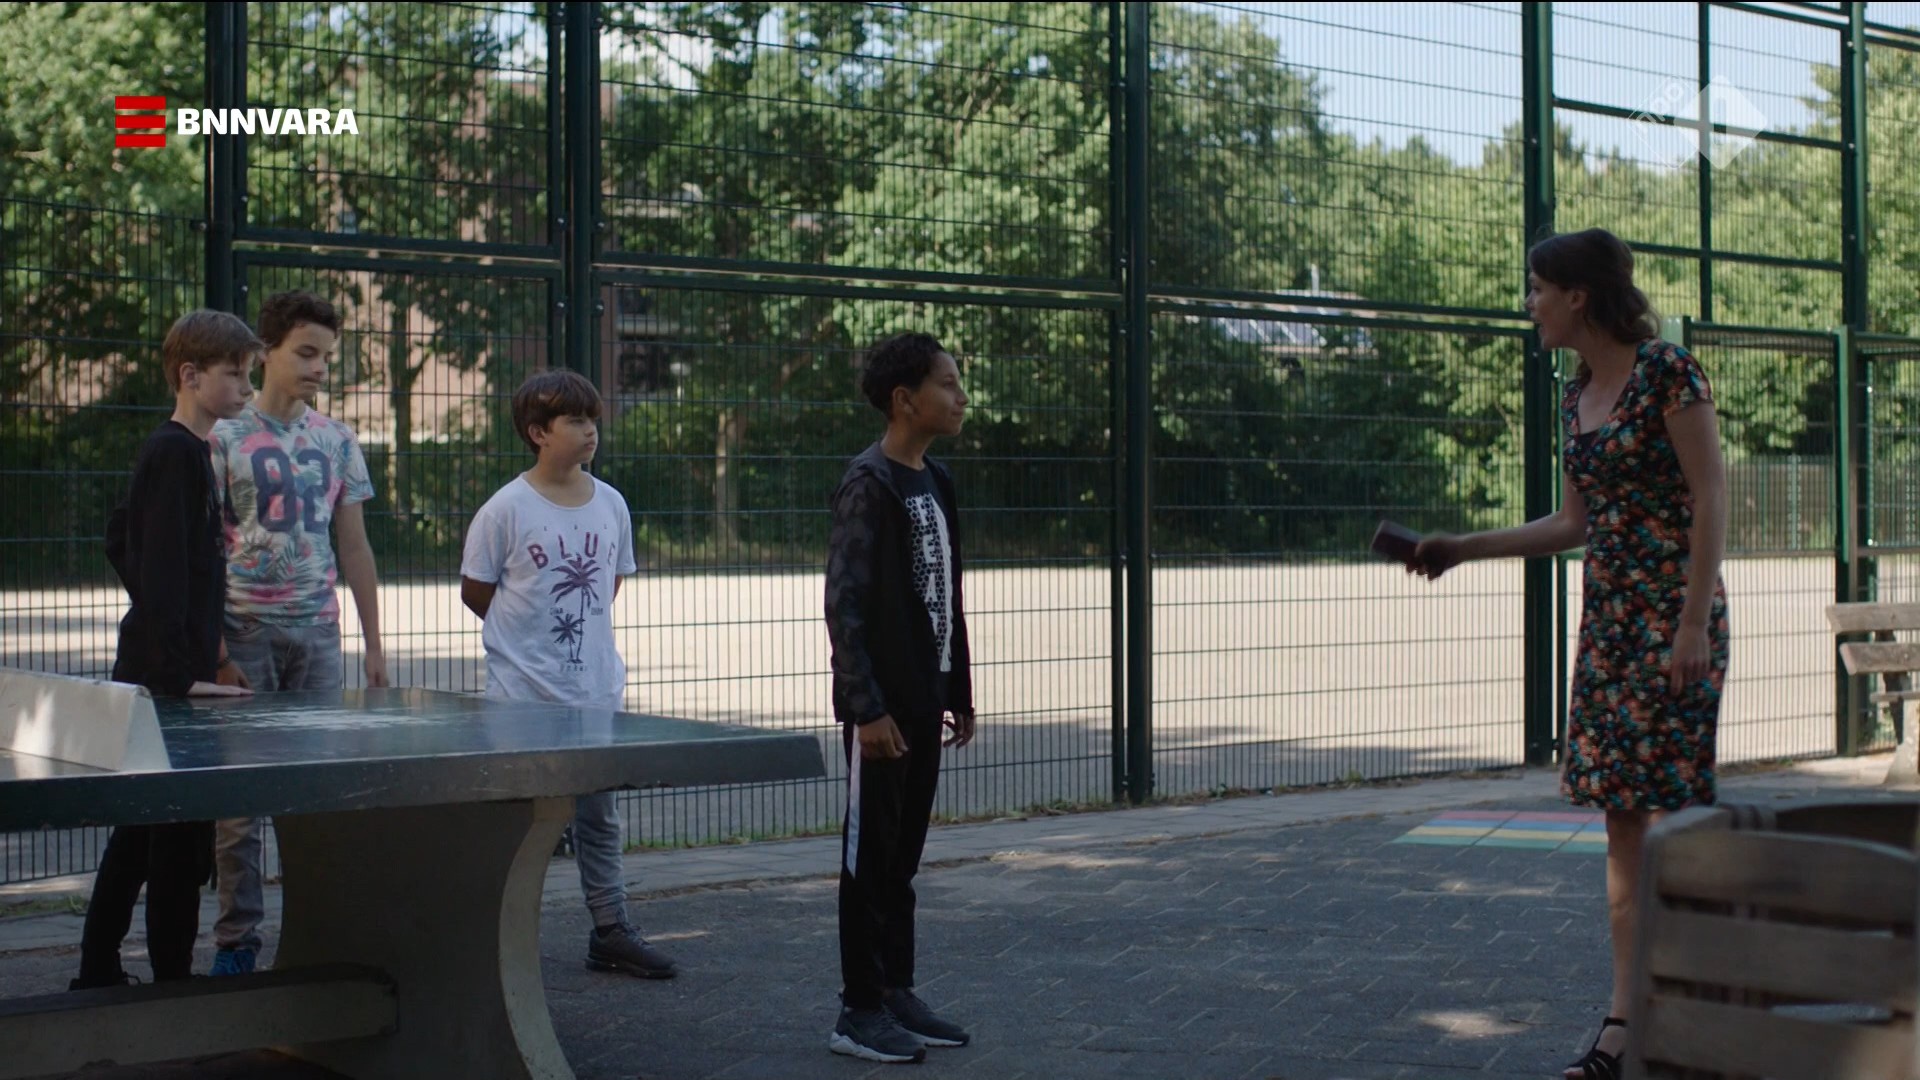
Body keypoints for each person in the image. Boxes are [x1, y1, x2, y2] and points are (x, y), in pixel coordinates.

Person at [1410, 228, 1730, 1080]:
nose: (1530, 305)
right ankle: (1627, 1020)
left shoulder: (1668, 372)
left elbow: (1710, 495)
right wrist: (1462, 547)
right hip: (1611, 627)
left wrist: (1693, 622)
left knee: (1672, 818)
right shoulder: (1576, 393)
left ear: (1577, 295)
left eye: (1536, 289)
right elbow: (1572, 523)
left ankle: (1700, 1009)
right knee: (1622, 822)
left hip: (1673, 622)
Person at [458, 368, 677, 979]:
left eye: (592, 420)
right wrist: (526, 644)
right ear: (538, 433)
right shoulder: (505, 509)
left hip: (595, 693)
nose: (590, 431)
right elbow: (477, 591)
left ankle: (610, 929)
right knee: (517, 823)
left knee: (599, 816)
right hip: (522, 701)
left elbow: (609, 586)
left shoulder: (611, 503)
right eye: (575, 421)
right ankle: (499, 941)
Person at [71, 310, 261, 989]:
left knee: (139, 833)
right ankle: (173, 984)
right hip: (165, 687)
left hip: (161, 674)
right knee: (177, 840)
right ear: (190, 375)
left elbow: (121, 538)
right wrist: (181, 678)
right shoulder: (176, 452)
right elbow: (161, 570)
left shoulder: (185, 451)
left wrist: (194, 660)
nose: (247, 387)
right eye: (235, 374)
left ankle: (100, 969)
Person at [207, 289, 386, 977]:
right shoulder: (224, 437)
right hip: (244, 629)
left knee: (319, 794)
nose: (318, 368)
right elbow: (204, 548)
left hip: (318, 633)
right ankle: (237, 942)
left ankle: (321, 936)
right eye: (306, 353)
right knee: (240, 800)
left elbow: (355, 546)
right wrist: (217, 648)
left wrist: (372, 644)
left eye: (326, 357)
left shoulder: (336, 440)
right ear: (266, 353)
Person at [823, 332, 979, 1064]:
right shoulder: (869, 484)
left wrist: (958, 690)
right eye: (948, 384)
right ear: (904, 400)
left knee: (903, 859)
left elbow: (948, 593)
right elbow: (845, 606)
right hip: (881, 713)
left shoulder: (935, 479)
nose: (961, 397)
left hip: (923, 702)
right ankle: (857, 1009)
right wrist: (867, 708)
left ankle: (896, 990)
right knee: (869, 859)